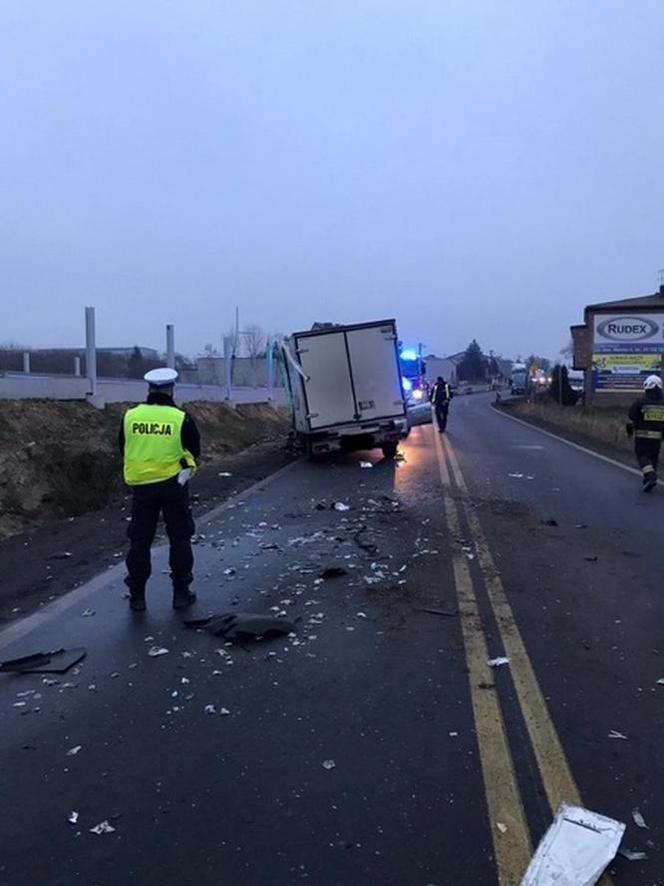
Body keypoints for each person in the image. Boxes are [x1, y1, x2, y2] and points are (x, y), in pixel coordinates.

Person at [119, 368, 201, 611]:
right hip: (174, 485)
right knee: (180, 538)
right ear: (171, 389)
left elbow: (124, 448)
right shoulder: (180, 417)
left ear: (149, 389)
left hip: (142, 487)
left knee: (140, 540)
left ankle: (137, 596)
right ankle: (181, 594)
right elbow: (194, 450)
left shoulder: (130, 416)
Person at [626, 374, 664, 492]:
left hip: (642, 436)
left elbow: (631, 418)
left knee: (643, 457)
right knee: (653, 459)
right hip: (657, 438)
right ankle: (648, 478)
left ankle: (650, 477)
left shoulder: (640, 402)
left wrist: (630, 431)